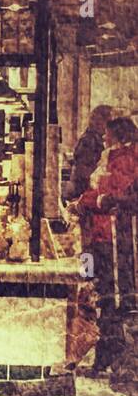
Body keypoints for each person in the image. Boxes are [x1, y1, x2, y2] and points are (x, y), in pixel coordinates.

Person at [76, 115, 138, 370]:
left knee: (110, 297)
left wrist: (88, 202)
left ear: (119, 137)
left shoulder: (125, 160)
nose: (103, 137)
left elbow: (112, 197)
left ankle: (111, 354)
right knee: (103, 293)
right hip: (102, 235)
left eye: (108, 134)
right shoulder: (114, 158)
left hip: (110, 237)